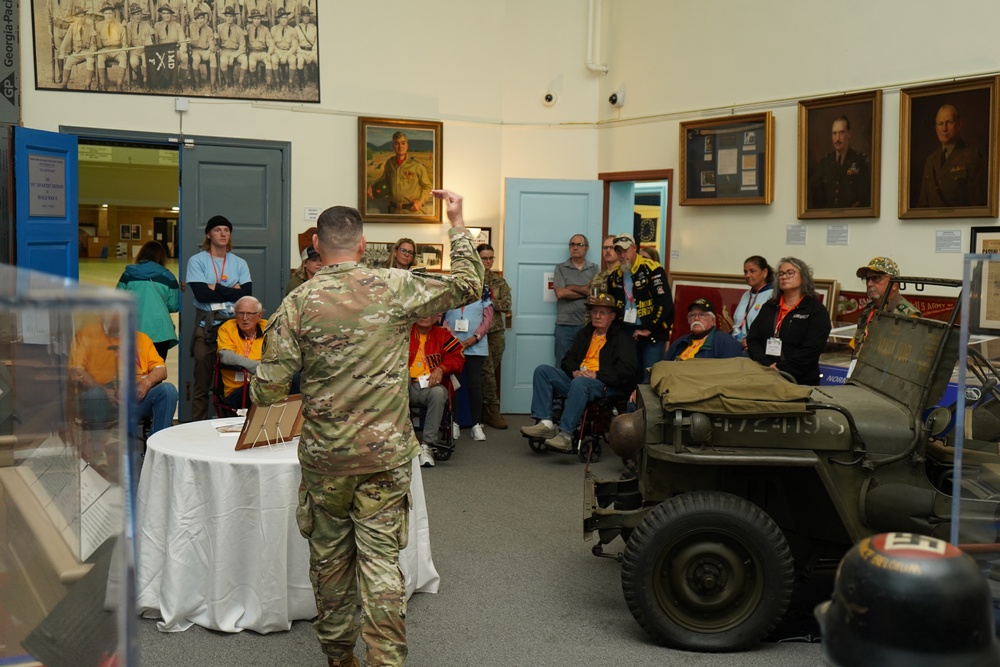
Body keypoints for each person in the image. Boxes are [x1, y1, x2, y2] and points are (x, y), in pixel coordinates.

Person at [250, 189, 483, 667]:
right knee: (380, 562)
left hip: (326, 461)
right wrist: (457, 223)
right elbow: (467, 286)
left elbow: (267, 391)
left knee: (331, 565)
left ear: (317, 244)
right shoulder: (394, 287)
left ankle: (340, 659)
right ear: (362, 246)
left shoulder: (296, 304)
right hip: (384, 457)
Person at [520, 293, 637, 453]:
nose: (596, 316)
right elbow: (567, 360)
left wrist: (597, 374)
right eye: (594, 312)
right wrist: (574, 371)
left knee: (581, 383)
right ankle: (546, 423)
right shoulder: (586, 333)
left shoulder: (622, 338)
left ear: (612, 316)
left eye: (602, 313)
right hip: (578, 379)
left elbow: (627, 370)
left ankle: (566, 435)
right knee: (543, 371)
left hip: (604, 384)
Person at [69, 316, 179, 445]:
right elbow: (76, 370)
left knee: (168, 390)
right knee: (95, 395)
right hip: (101, 398)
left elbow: (161, 369)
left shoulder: (142, 339)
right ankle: (97, 450)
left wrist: (145, 383)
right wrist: (103, 391)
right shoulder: (87, 335)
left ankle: (157, 448)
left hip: (135, 397)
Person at [185, 214, 252, 421]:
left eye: (226, 230)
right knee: (202, 383)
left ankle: (226, 423)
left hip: (233, 329)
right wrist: (231, 290)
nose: (223, 234)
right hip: (207, 327)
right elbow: (201, 294)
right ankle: (197, 427)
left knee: (230, 381)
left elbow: (246, 294)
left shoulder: (239, 263)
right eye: (217, 230)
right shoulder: (197, 261)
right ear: (208, 234)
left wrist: (215, 287)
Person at [746, 257, 832, 385]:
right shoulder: (769, 306)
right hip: (765, 375)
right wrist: (767, 365)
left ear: (803, 277)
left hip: (800, 380)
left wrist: (782, 368)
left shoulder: (815, 310)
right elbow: (753, 338)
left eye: (790, 273)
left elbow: (812, 348)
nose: (784, 277)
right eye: (780, 273)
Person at [605, 233, 674, 382]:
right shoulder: (614, 276)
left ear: (634, 248)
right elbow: (612, 308)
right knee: (628, 377)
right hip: (627, 332)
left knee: (648, 378)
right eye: (619, 251)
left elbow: (665, 303)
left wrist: (649, 328)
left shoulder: (652, 269)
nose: (622, 255)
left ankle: (644, 405)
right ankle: (629, 405)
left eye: (625, 250)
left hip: (652, 332)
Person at [408, 314, 465, 468]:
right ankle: (401, 443)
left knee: (439, 393)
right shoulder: (404, 333)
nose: (424, 316)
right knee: (400, 377)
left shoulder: (443, 335)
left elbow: (457, 357)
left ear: (435, 318)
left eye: (429, 312)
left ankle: (426, 446)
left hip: (431, 387)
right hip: (406, 386)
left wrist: (441, 368)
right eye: (421, 311)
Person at [442, 276, 493, 442]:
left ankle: (476, 425)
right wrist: (452, 338)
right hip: (452, 345)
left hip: (475, 346)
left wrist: (475, 337)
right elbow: (440, 315)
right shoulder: (449, 287)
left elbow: (488, 318)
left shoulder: (483, 288)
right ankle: (454, 423)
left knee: (474, 384)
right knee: (454, 385)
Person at [116, 240, 180, 360]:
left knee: (134, 372)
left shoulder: (128, 275)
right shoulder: (168, 276)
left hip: (133, 330)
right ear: (161, 256)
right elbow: (174, 305)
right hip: (160, 332)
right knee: (157, 371)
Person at [916, 104, 987, 208]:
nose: (944, 129)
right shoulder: (930, 161)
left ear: (959, 124)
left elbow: (979, 206)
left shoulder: (972, 157)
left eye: (949, 122)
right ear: (936, 129)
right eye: (940, 124)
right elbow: (922, 205)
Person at [850, 256, 921, 358]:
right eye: (867, 279)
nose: (869, 284)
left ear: (894, 284)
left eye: (876, 278)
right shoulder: (869, 310)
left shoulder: (908, 315)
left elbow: (908, 359)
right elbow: (856, 345)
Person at [477, 243, 511, 429]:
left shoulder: (499, 282)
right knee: (486, 372)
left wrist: (488, 301)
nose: (488, 261)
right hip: (477, 332)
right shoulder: (471, 279)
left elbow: (506, 304)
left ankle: (484, 410)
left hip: (495, 332)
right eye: (484, 258)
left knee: (490, 372)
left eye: (491, 258)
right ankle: (493, 411)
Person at [808, 115, 871, 209]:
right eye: (834, 133)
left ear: (849, 134)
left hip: (854, 219)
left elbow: (865, 198)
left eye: (841, 133)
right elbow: (812, 192)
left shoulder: (860, 160)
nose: (837, 138)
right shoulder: (825, 162)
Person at [553, 234, 598, 365]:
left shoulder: (594, 268)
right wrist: (586, 292)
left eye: (579, 244)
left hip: (588, 325)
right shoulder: (560, 268)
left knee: (587, 363)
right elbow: (560, 293)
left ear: (587, 248)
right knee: (562, 364)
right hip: (564, 325)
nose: (575, 247)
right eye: (572, 244)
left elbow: (595, 292)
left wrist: (571, 287)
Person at [216, 296, 266, 411]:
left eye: (250, 314)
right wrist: (259, 368)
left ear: (259, 315)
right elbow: (226, 356)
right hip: (238, 391)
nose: (244, 318)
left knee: (297, 378)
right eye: (240, 313)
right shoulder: (228, 328)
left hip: (268, 383)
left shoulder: (268, 328)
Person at [367, 131, 433, 215]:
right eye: (396, 143)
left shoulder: (417, 165)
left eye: (403, 143)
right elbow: (384, 179)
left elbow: (427, 186)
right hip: (394, 211)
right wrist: (372, 186)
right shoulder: (389, 163)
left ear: (407, 145)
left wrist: (420, 201)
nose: (400, 146)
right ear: (393, 146)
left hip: (412, 213)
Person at [663, 298, 744, 361]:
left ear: (712, 320)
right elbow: (664, 366)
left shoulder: (726, 343)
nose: (696, 318)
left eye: (702, 315)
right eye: (692, 315)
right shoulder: (680, 342)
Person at [730, 255, 774, 348]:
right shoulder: (746, 294)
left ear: (765, 272)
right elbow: (737, 323)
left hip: (757, 346)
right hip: (737, 344)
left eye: (752, 271)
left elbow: (770, 327)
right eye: (745, 272)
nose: (747, 275)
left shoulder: (772, 294)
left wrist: (751, 341)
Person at [59, 7, 96, 90]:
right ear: (75, 18)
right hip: (77, 52)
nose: (81, 19)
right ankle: (64, 83)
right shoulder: (72, 27)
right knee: (68, 61)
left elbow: (93, 43)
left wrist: (92, 50)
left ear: (85, 16)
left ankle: (87, 84)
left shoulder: (90, 27)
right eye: (78, 17)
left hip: (88, 52)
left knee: (90, 61)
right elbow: (66, 40)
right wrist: (62, 52)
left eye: (82, 16)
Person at [95, 3, 128, 91]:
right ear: (103, 14)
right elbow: (98, 45)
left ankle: (119, 84)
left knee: (123, 57)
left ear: (113, 13)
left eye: (110, 13)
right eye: (106, 14)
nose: (108, 16)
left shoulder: (120, 26)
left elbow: (124, 42)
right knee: (100, 58)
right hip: (105, 50)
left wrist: (124, 48)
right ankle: (103, 84)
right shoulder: (98, 26)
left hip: (117, 49)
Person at [217, 6, 248, 88]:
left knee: (244, 59)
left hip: (236, 51)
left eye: (231, 16)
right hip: (224, 51)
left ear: (234, 17)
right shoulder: (219, 28)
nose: (229, 19)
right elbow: (216, 44)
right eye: (227, 16)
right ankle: (228, 81)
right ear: (225, 17)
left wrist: (234, 56)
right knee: (223, 62)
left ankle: (240, 83)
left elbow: (242, 47)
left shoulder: (239, 30)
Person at [186, 8, 216, 89]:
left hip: (205, 50)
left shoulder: (209, 30)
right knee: (196, 59)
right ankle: (197, 83)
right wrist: (187, 41)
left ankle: (213, 84)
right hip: (195, 50)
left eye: (202, 18)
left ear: (204, 19)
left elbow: (212, 44)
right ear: (195, 19)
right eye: (198, 18)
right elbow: (186, 42)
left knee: (213, 57)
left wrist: (208, 52)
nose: (200, 20)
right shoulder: (190, 28)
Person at [270, 8, 299, 90]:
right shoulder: (273, 29)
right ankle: (278, 82)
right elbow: (272, 44)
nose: (283, 20)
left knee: (293, 60)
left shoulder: (292, 30)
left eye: (285, 18)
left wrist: (286, 55)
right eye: (282, 18)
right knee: (274, 59)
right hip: (277, 51)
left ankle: (290, 82)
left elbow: (294, 46)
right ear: (278, 19)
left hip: (288, 52)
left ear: (288, 18)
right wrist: (279, 54)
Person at [126, 3, 154, 88]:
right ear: (132, 16)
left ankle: (145, 81)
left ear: (141, 14)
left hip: (144, 49)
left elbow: (149, 42)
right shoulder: (129, 26)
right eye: (134, 14)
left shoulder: (147, 25)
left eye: (138, 14)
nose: (137, 17)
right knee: (133, 62)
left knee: (145, 61)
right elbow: (128, 41)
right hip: (134, 50)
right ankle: (139, 77)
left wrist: (144, 48)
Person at [246, 9, 275, 87]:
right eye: (255, 19)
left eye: (258, 18)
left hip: (263, 52)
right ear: (252, 19)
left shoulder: (265, 29)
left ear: (261, 19)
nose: (257, 21)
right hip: (253, 52)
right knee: (252, 64)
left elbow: (271, 43)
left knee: (268, 62)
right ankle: (254, 82)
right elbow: (244, 42)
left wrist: (269, 53)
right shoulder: (248, 29)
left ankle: (269, 83)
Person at [294, 7, 318, 85]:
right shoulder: (297, 28)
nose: (306, 17)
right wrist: (301, 53)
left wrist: (313, 54)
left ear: (309, 17)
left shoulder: (314, 28)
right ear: (301, 17)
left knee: (318, 59)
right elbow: (295, 43)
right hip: (301, 51)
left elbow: (316, 42)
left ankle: (317, 79)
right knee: (300, 61)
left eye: (307, 15)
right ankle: (301, 81)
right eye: (304, 16)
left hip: (312, 51)